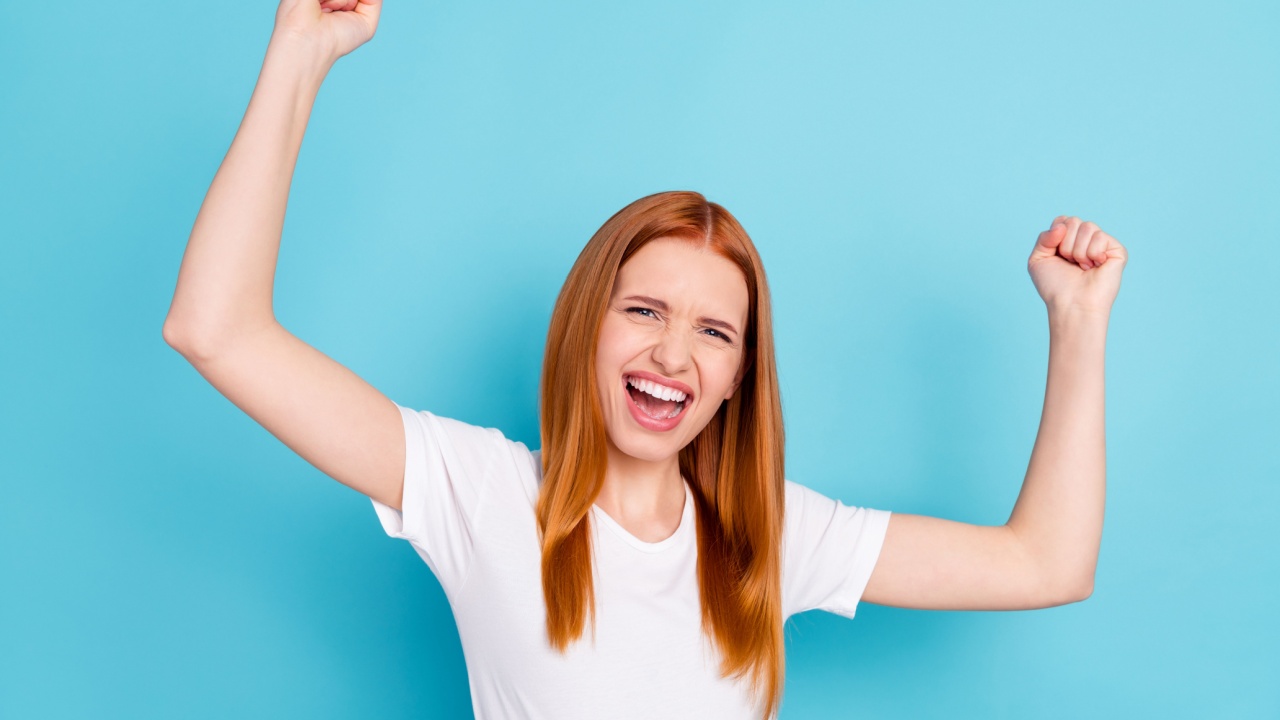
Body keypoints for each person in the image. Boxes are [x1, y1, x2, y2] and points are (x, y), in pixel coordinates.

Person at [161, 1, 1129, 718]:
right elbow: (216, 328)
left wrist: (1076, 326)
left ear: (738, 376)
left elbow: (1043, 563)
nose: (672, 352)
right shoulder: (481, 495)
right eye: (643, 310)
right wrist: (302, 49)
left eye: (714, 332)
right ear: (588, 324)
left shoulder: (767, 535)